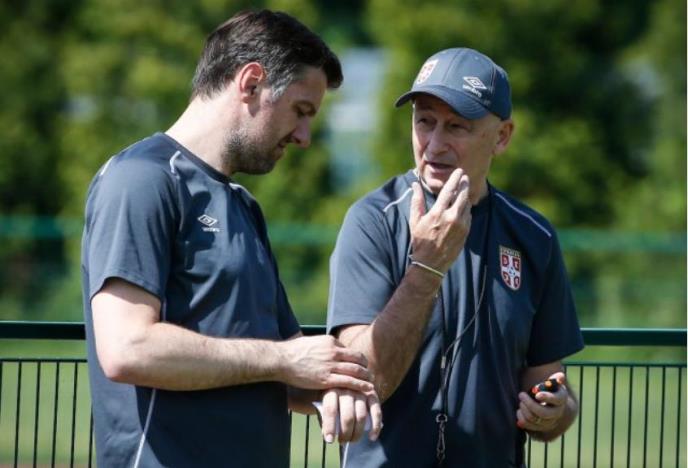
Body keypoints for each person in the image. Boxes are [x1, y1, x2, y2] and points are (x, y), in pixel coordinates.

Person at [81, 10, 381, 468]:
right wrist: (283, 360)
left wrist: (337, 390)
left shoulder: (243, 205)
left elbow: (288, 365)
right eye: (301, 111)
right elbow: (127, 349)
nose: (304, 137)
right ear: (251, 82)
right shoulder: (140, 179)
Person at [326, 47, 584, 467]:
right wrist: (427, 266)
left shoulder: (534, 236)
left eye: (456, 127)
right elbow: (362, 378)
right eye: (424, 121)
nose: (434, 144)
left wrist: (556, 410)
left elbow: (551, 385)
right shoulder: (373, 220)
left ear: (502, 137)